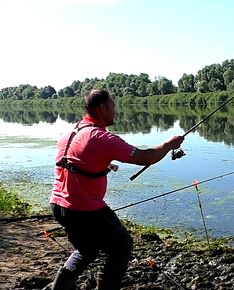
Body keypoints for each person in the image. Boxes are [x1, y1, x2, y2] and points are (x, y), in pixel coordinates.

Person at [49, 89, 184, 290]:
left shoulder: (69, 133)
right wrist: (168, 145)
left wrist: (102, 167)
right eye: (113, 106)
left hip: (59, 205)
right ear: (103, 108)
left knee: (86, 250)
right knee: (122, 247)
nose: (115, 111)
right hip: (86, 209)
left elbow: (78, 163)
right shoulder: (101, 137)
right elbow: (146, 157)